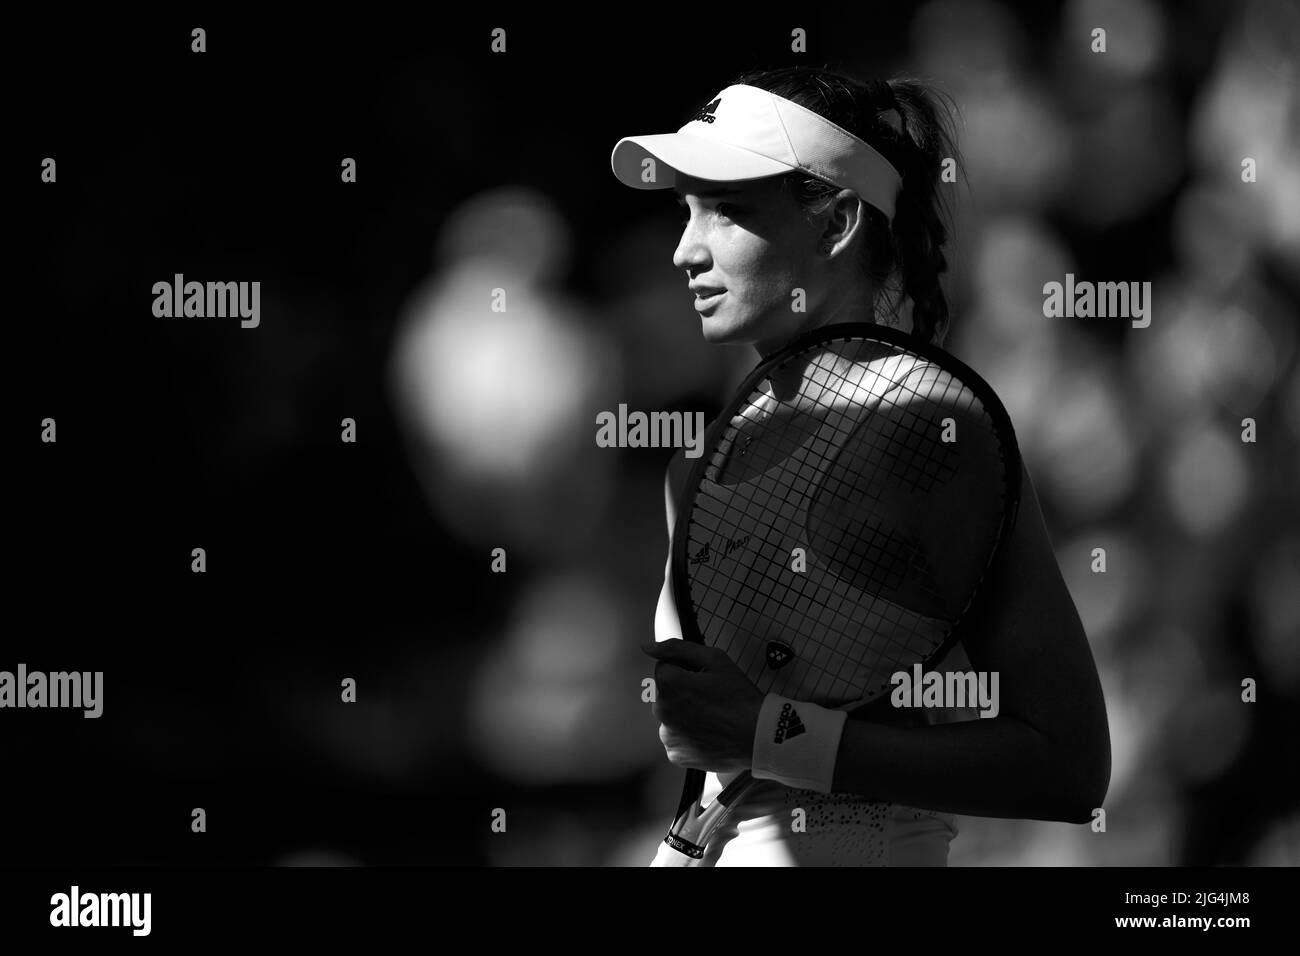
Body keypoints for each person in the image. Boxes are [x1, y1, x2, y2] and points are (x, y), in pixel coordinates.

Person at [610, 65, 1111, 866]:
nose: (684, 251)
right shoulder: (698, 465)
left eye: (728, 211)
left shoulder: (928, 429)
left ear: (837, 222)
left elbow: (1068, 765)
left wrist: (770, 733)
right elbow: (720, 785)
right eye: (685, 211)